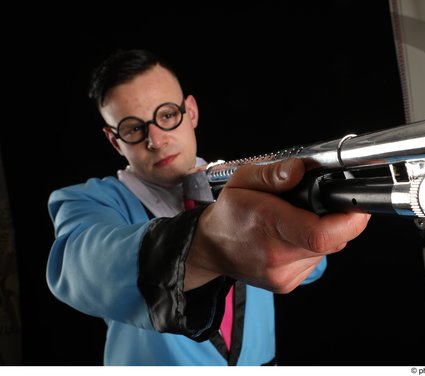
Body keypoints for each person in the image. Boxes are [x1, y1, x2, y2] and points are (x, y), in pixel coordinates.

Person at [46, 49, 370, 366]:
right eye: (133, 128)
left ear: (191, 112)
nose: (156, 140)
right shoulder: (87, 199)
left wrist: (307, 222)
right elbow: (77, 267)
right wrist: (203, 243)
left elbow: (312, 270)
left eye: (168, 115)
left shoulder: (245, 180)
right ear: (115, 141)